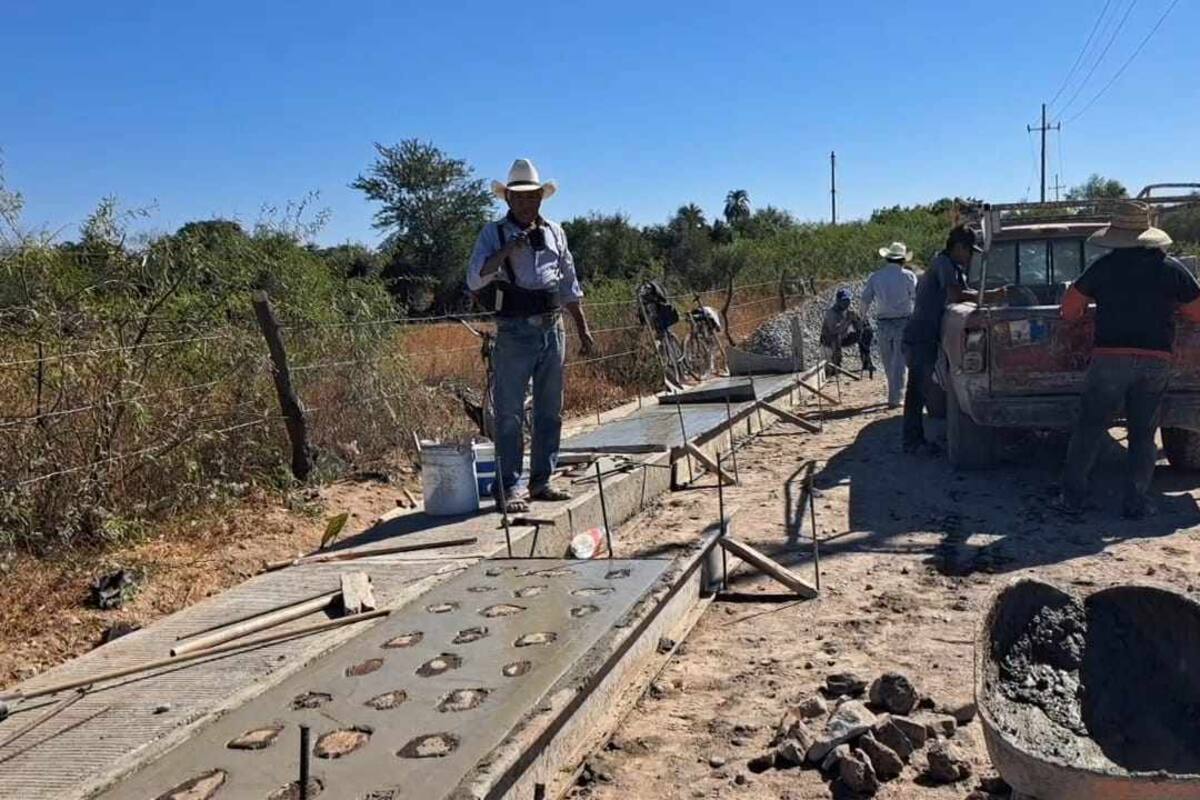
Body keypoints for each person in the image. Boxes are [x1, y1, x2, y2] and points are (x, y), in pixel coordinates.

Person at [467, 159, 596, 512]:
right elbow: (475, 277)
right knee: (509, 412)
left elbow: (569, 283)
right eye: (520, 196)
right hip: (514, 330)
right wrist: (510, 248)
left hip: (553, 329)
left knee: (549, 410)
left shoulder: (555, 232)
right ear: (508, 198)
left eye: (532, 196)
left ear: (541, 197)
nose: (527, 202)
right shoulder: (493, 233)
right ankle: (509, 486)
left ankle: (542, 481)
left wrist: (582, 328)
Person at [1059, 202, 1200, 518]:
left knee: (1090, 426)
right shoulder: (1172, 268)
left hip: (1109, 359)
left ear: (1116, 235)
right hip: (1155, 361)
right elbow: (1198, 311)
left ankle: (1072, 497)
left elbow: (1069, 310)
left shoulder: (1103, 267)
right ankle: (1136, 501)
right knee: (1143, 434)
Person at [901, 225, 987, 454]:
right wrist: (990, 296)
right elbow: (955, 294)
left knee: (922, 389)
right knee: (917, 391)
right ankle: (912, 442)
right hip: (921, 335)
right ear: (958, 247)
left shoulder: (952, 267)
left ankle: (915, 440)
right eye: (969, 251)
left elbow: (963, 293)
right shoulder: (943, 264)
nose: (970, 257)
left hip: (926, 336)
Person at [862, 242, 918, 408]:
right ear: (903, 260)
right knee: (900, 361)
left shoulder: (876, 277)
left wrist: (863, 318)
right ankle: (896, 397)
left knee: (888, 361)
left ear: (887, 258)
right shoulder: (908, 276)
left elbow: (865, 300)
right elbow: (916, 297)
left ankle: (894, 393)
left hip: (883, 323)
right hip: (903, 321)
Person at [820, 288, 872, 377]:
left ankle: (866, 361)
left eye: (848, 301)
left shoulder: (847, 311)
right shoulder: (832, 313)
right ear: (838, 301)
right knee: (836, 337)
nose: (847, 303)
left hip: (843, 337)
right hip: (829, 341)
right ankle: (836, 365)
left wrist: (860, 323)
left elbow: (858, 324)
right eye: (844, 301)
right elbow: (834, 330)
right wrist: (847, 321)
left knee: (866, 331)